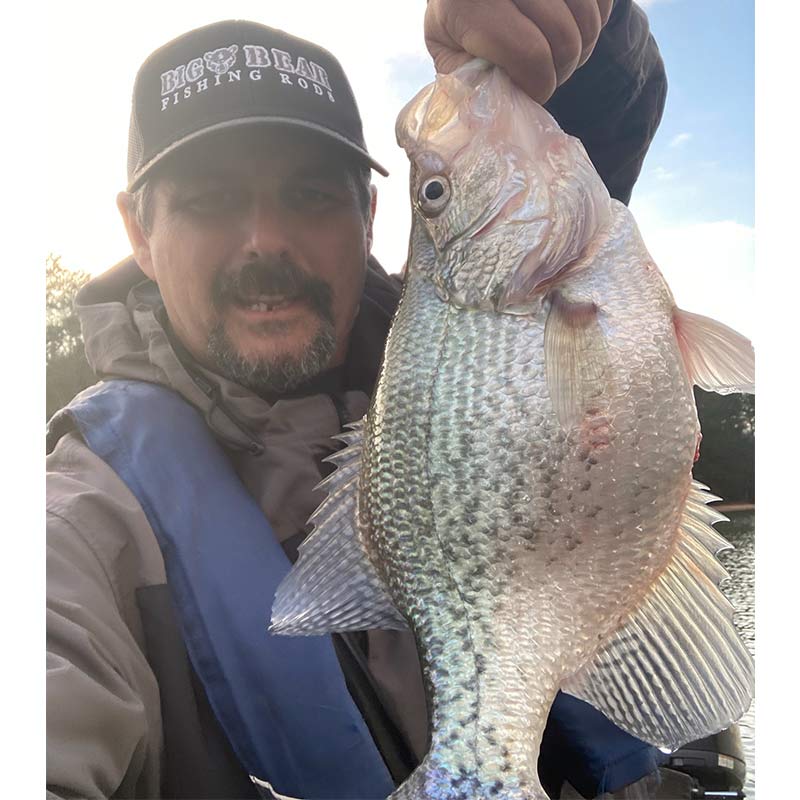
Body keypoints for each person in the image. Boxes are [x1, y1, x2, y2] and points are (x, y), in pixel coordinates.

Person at [46, 2, 669, 798]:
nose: (265, 239)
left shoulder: (489, 314)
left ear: (371, 214)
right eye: (208, 200)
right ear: (138, 229)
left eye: (311, 195)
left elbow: (589, 144)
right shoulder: (73, 530)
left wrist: (575, 34)